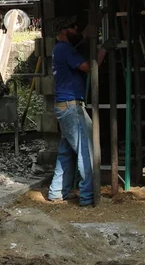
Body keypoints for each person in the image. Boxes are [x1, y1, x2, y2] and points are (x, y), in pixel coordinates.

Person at [47, 15, 114, 205]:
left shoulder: (61, 49)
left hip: (64, 107)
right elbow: (89, 67)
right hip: (71, 107)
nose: (77, 31)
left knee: (66, 152)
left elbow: (76, 49)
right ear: (64, 31)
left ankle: (57, 192)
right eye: (74, 29)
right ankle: (88, 197)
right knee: (88, 150)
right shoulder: (65, 49)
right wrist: (103, 50)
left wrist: (84, 35)